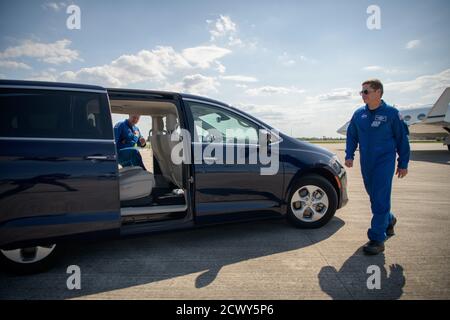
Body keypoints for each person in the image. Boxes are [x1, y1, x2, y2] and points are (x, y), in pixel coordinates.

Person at [345, 79, 410, 255]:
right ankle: (389, 219)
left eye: (366, 91)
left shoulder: (392, 113)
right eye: (362, 92)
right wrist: (349, 155)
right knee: (374, 196)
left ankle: (377, 238)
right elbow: (352, 135)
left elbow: (402, 139)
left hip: (385, 161)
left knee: (380, 197)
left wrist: (403, 163)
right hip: (366, 162)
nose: (362, 95)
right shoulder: (359, 114)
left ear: (378, 92)